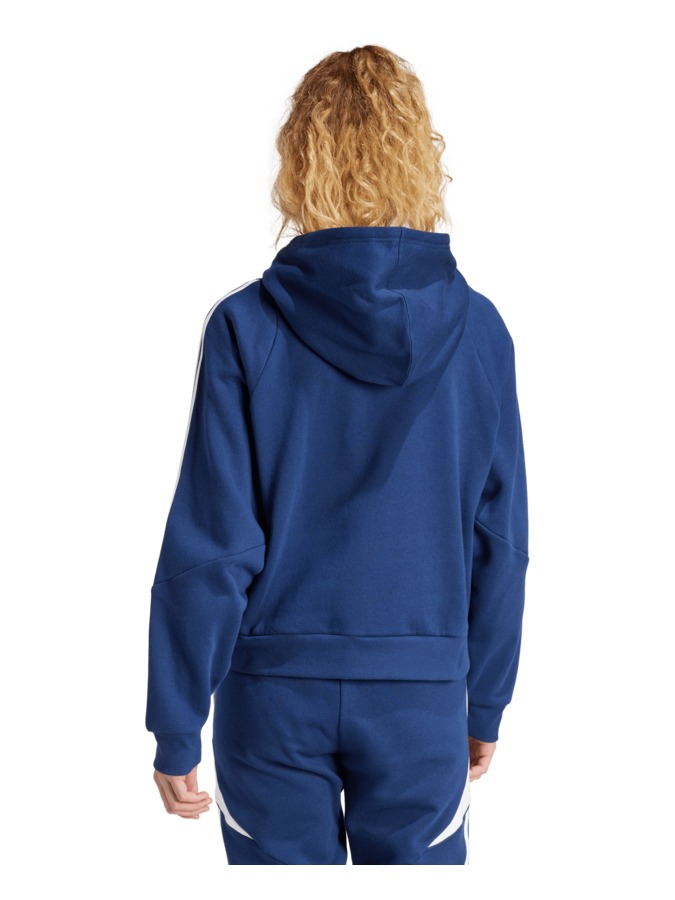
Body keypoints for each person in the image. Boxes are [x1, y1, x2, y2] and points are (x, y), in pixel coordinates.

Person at [145, 44, 529, 866]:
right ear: (417, 154)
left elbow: (214, 542)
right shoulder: (480, 331)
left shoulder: (247, 325)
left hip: (272, 696)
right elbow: (499, 538)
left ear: (301, 158)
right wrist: (484, 701)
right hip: (422, 696)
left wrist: (176, 721)